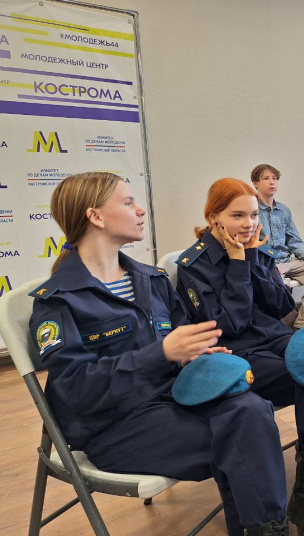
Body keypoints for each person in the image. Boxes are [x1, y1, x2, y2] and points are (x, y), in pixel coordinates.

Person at [28, 172, 289, 536]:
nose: (141, 211)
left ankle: (266, 528)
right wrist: (162, 353)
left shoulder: (151, 280)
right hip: (115, 425)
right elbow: (76, 388)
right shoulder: (58, 301)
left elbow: (181, 338)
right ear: (96, 217)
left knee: (251, 409)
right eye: (128, 203)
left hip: (171, 400)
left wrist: (195, 353)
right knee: (244, 437)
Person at [176, 178, 304, 536]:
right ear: (213, 217)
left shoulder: (257, 249)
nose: (248, 223)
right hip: (236, 353)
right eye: (237, 215)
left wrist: (255, 258)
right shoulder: (194, 264)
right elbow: (231, 325)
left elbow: (283, 308)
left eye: (254, 215)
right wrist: (239, 263)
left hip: (274, 338)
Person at [252, 164, 304, 328]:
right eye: (266, 178)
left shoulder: (284, 210)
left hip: (288, 260)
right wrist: (270, 263)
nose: (272, 182)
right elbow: (251, 244)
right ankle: (287, 326)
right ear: (255, 183)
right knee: (278, 285)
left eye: (274, 178)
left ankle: (302, 326)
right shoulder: (252, 210)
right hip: (266, 263)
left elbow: (294, 240)